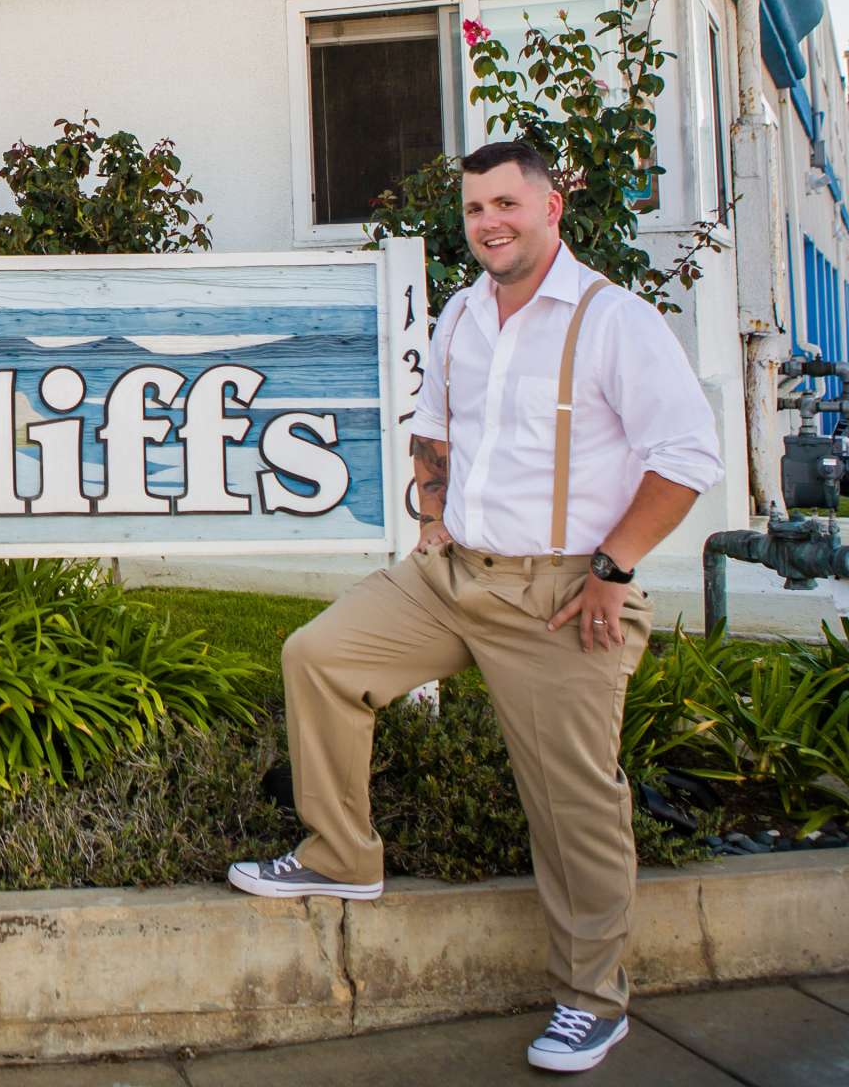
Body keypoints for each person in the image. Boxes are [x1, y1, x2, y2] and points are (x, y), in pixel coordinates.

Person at [226, 140, 721, 1075]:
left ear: (549, 209)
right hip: (455, 574)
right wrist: (430, 519)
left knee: (575, 806)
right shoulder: (463, 313)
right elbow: (437, 429)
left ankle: (592, 1002)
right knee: (319, 656)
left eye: (505, 203)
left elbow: (687, 456)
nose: (488, 222)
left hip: (561, 594)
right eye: (474, 209)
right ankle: (343, 853)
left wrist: (613, 571)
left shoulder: (614, 321)